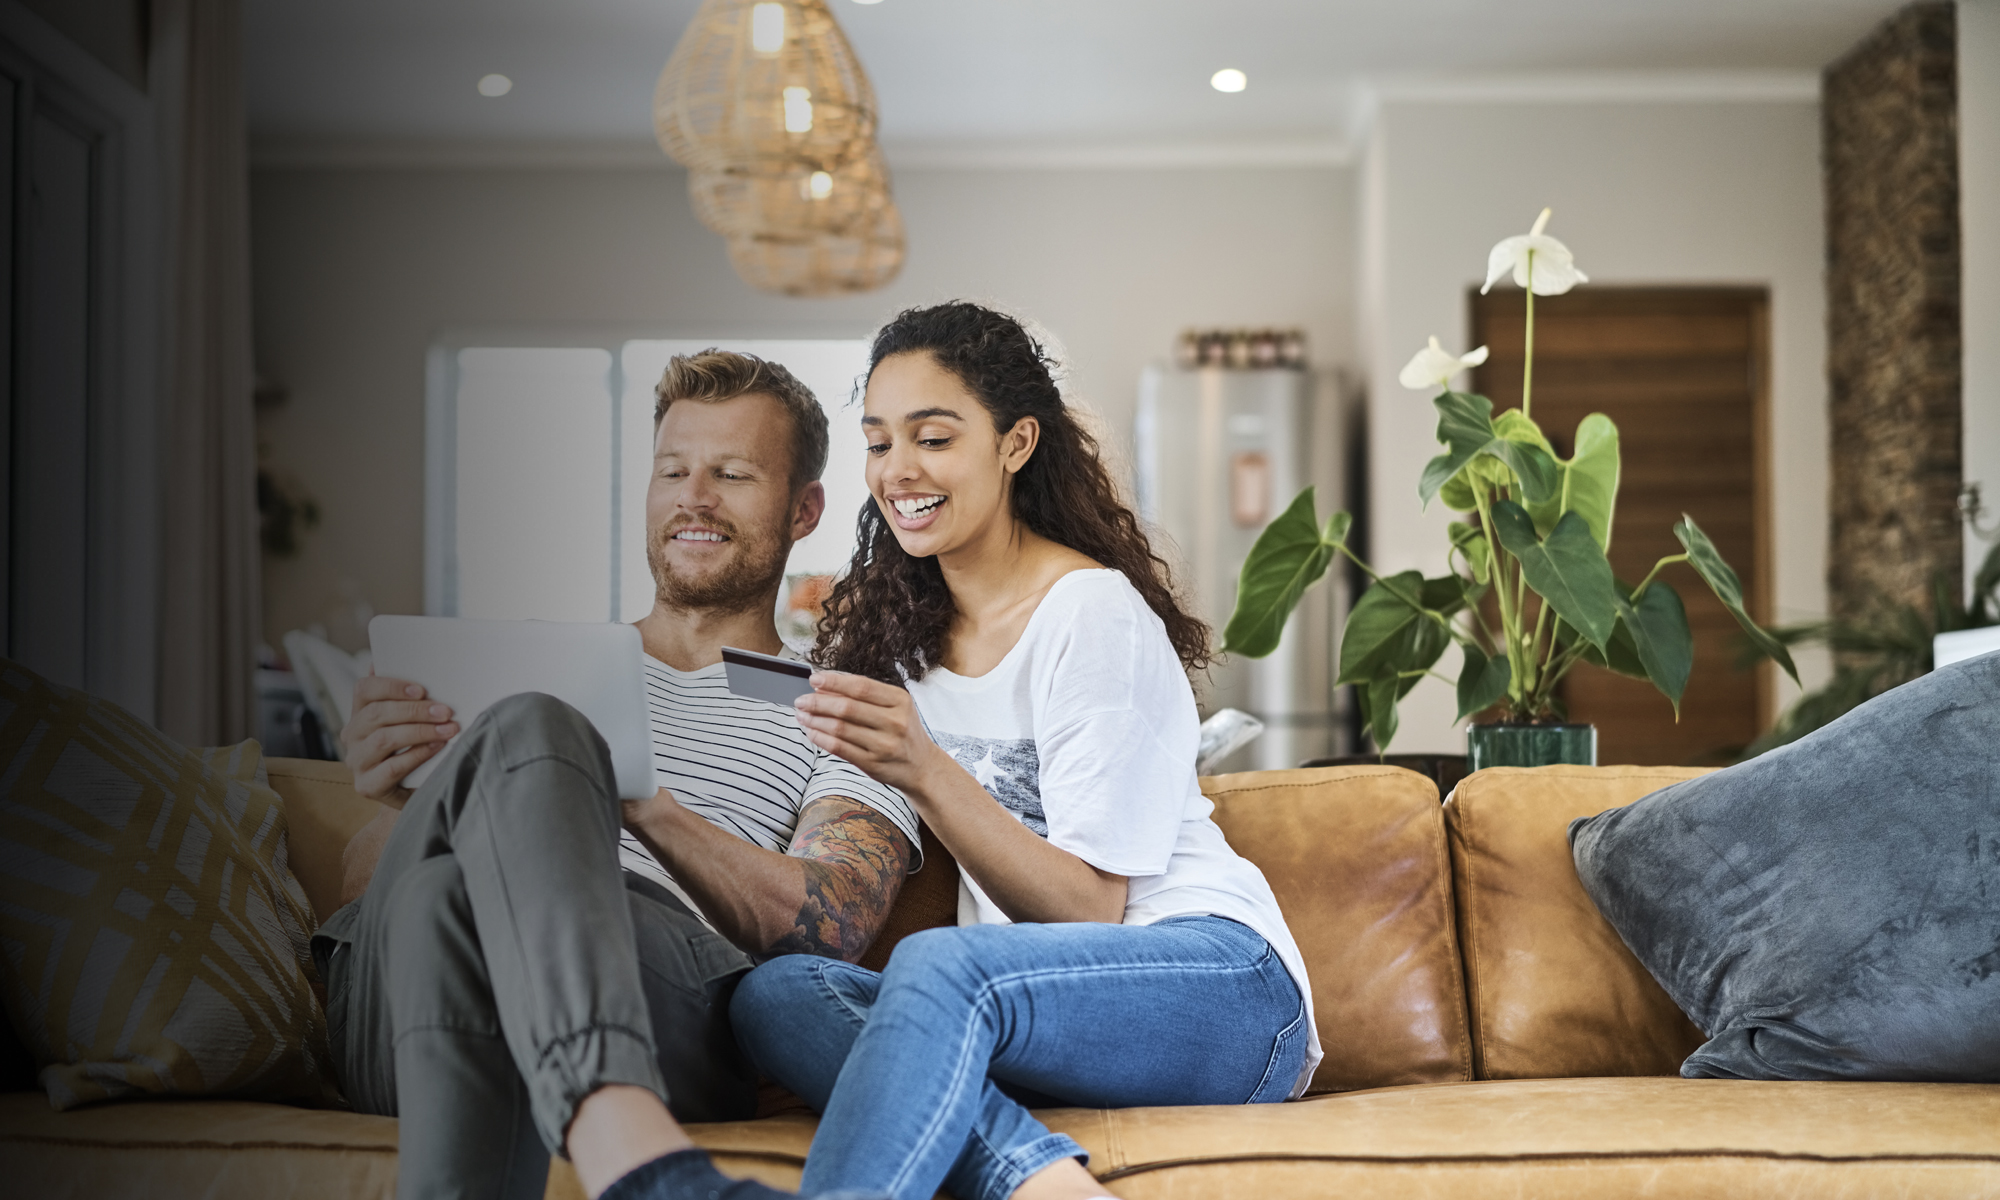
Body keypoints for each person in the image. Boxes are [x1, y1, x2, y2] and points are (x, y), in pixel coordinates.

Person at [625, 302, 1319, 1200]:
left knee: (939, 965)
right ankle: (1043, 1184)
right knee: (781, 994)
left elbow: (1088, 909)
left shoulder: (1089, 611)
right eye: (878, 442)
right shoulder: (902, 646)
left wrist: (923, 766)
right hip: (1030, 1014)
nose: (898, 470)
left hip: (1216, 985)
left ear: (1016, 444)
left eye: (934, 437)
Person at [321, 351, 919, 1200]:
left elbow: (825, 928)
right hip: (392, 1005)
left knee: (447, 893)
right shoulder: (520, 666)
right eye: (673, 470)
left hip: (660, 989)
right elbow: (360, 888)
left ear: (803, 510)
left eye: (732, 473)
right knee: (443, 872)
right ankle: (625, 1145)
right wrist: (413, 799)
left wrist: (634, 801)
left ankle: (607, 1118)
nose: (694, 498)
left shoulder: (839, 709)